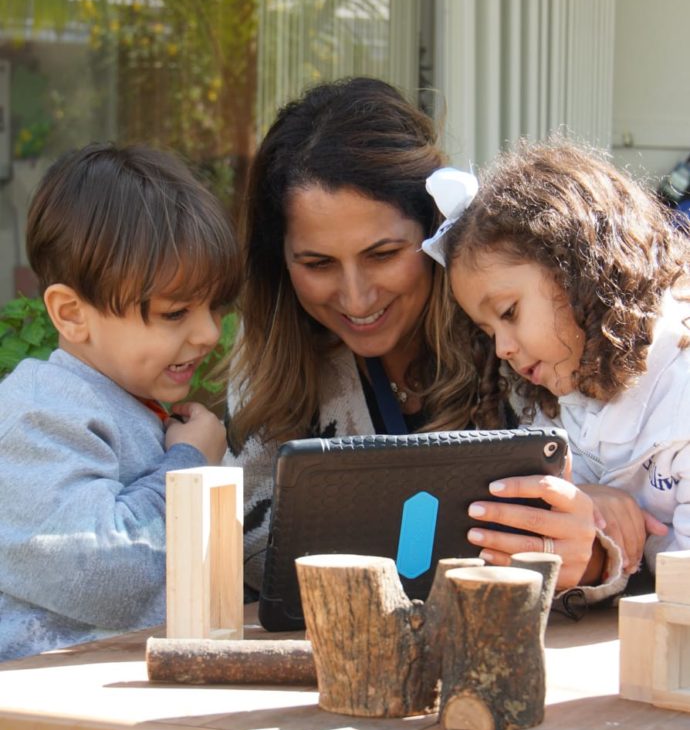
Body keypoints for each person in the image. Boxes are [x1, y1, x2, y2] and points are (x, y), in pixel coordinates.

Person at [225, 78, 623, 603]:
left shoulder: (523, 334)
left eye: (383, 254)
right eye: (317, 264)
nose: (357, 297)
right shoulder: (271, 364)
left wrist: (595, 553)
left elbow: (627, 524)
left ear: (437, 230)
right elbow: (248, 551)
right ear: (280, 263)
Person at [0, 143, 240, 662]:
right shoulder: (37, 415)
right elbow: (105, 575)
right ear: (71, 314)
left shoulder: (143, 406)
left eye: (214, 307)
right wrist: (189, 467)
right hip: (47, 726)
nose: (208, 333)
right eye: (176, 313)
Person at [441, 137, 687, 580]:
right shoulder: (551, 395)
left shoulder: (681, 392)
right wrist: (589, 503)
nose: (503, 349)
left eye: (509, 312)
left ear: (579, 270)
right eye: (488, 332)